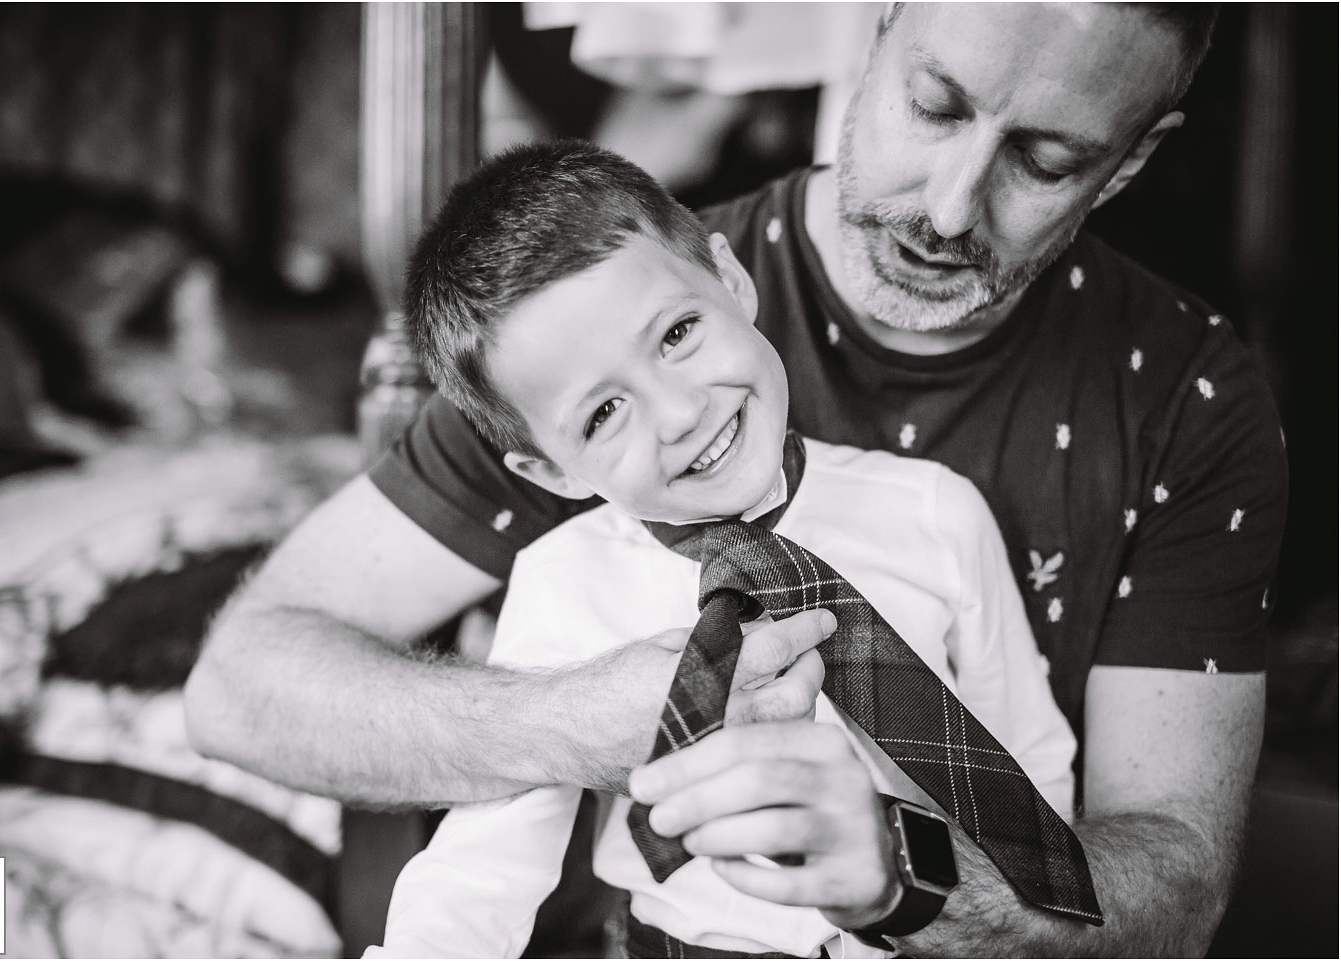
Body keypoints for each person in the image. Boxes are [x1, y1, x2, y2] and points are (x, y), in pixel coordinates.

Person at [185, 4, 1288, 955]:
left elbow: (1130, 858)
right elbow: (249, 692)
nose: (951, 209)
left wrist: (921, 879)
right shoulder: (573, 317)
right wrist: (570, 723)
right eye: (936, 106)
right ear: (877, 28)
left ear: (1131, 161)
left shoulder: (1154, 412)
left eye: (1046, 162)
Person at [366, 140, 1078, 958]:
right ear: (550, 470)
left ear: (732, 280)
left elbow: (1034, 776)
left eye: (676, 334)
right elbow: (481, 871)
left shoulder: (935, 514)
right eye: (602, 414)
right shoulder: (562, 586)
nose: (677, 412)